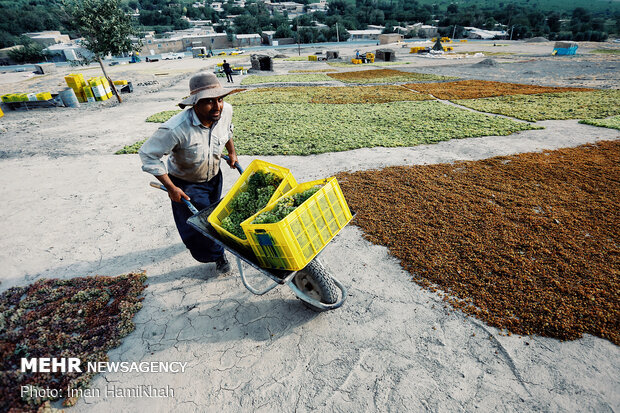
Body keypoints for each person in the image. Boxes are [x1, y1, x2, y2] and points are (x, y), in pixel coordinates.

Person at [139, 72, 239, 273]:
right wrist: (171, 187)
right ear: (195, 104)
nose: (217, 106)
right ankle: (217, 256)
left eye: (219, 99)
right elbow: (148, 155)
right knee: (200, 228)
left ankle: (215, 246)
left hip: (213, 177)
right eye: (209, 101)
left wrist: (231, 152)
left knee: (213, 215)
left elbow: (227, 131)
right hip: (186, 184)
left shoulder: (225, 111)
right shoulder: (175, 128)